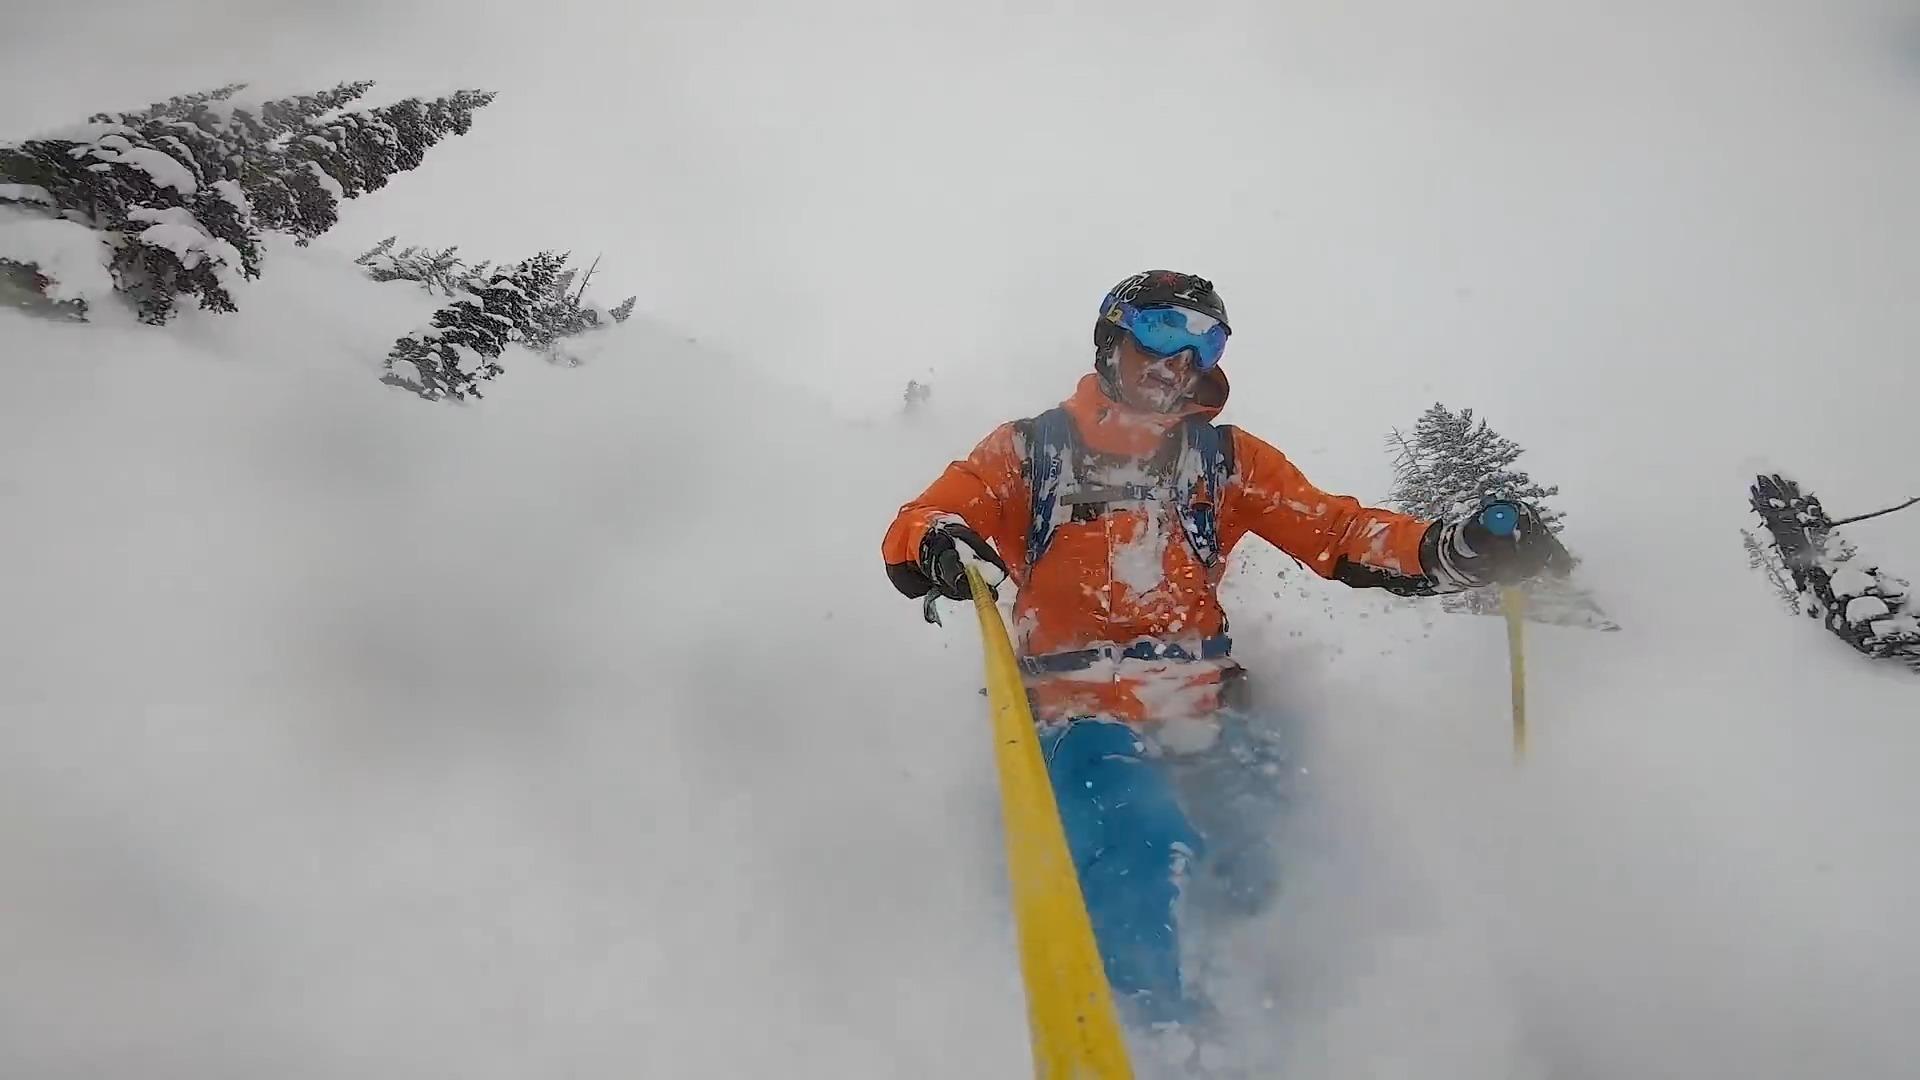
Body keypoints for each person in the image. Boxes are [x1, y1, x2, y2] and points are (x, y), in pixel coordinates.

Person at [881, 270, 1567, 1029]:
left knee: (1287, 849)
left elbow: (1336, 533)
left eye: (1203, 343)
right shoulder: (1029, 451)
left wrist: (1451, 548)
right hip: (1077, 714)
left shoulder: (1221, 459)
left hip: (1205, 703)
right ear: (1112, 340)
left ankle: (1332, 1021)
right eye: (1160, 333)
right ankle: (1153, 1034)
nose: (1181, 359)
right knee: (1140, 843)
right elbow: (926, 515)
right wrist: (938, 542)